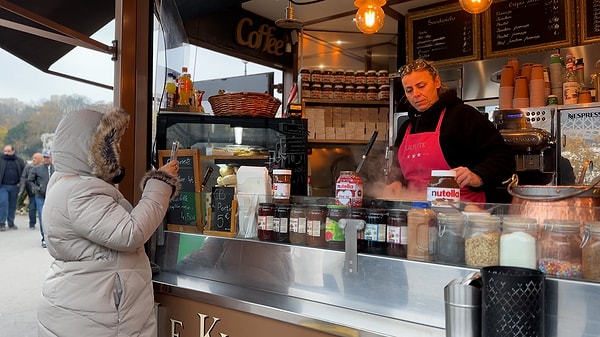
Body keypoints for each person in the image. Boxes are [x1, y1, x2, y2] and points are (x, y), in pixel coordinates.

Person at [37, 108, 180, 337]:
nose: (119, 149)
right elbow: (130, 233)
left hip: (87, 307)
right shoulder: (80, 191)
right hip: (96, 315)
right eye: (113, 143)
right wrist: (160, 182)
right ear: (93, 148)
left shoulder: (66, 182)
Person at [384, 59, 515, 203]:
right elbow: (397, 170)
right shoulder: (406, 128)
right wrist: (396, 182)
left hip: (462, 212)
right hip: (416, 211)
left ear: (437, 82)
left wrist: (477, 176)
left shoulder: (463, 116)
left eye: (421, 86)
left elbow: (503, 158)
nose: (416, 94)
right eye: (409, 90)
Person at [27, 149, 54, 248]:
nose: (46, 159)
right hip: (40, 196)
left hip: (53, 196)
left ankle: (54, 238)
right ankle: (44, 238)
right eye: (45, 157)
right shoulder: (37, 169)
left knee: (54, 217)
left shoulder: (57, 169)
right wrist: (36, 188)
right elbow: (29, 181)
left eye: (48, 157)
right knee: (43, 217)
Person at [0, 144, 27, 230]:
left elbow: (24, 172)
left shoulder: (19, 161)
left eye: (8, 151)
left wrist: (21, 183)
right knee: (3, 203)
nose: (6, 153)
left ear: (13, 151)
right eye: (5, 151)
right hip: (3, 186)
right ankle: (2, 223)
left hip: (15, 186)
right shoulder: (1, 159)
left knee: (12, 205)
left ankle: (11, 222)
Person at [19, 152, 43, 229]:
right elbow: (23, 178)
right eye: (33, 158)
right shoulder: (28, 167)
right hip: (31, 191)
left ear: (40, 159)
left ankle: (43, 223)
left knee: (41, 208)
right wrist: (21, 190)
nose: (33, 160)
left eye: (36, 158)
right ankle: (32, 223)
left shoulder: (44, 167)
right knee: (32, 207)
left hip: (41, 191)